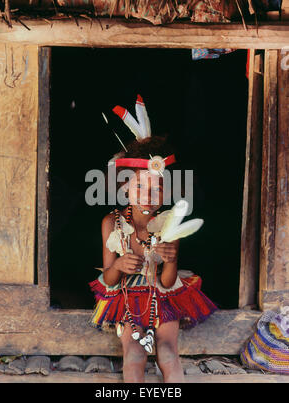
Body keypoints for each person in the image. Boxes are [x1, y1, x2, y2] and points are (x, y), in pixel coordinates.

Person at [89, 95, 217, 383]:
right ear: (125, 188)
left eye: (157, 188)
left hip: (163, 300)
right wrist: (120, 265)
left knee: (169, 354)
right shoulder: (112, 224)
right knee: (134, 356)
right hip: (125, 300)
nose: (149, 194)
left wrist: (170, 260)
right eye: (140, 186)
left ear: (166, 193)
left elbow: (169, 281)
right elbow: (108, 280)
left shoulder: (169, 224)